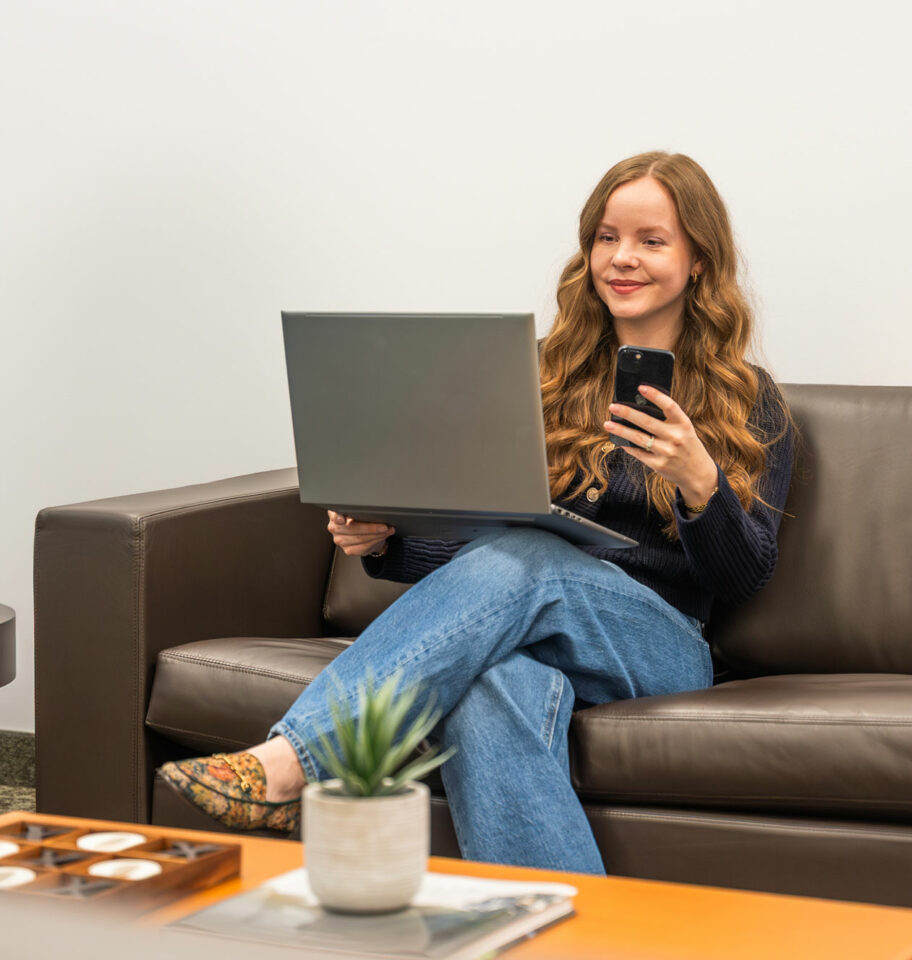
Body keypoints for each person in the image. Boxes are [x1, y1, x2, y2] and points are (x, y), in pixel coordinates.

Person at [159, 151, 794, 875]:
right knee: (492, 687)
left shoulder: (749, 400)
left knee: (531, 560)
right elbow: (488, 552)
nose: (623, 258)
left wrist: (700, 485)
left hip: (660, 644)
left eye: (652, 240)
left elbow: (746, 578)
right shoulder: (538, 376)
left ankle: (289, 762)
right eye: (606, 237)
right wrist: (384, 544)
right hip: (529, 608)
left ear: (699, 261)